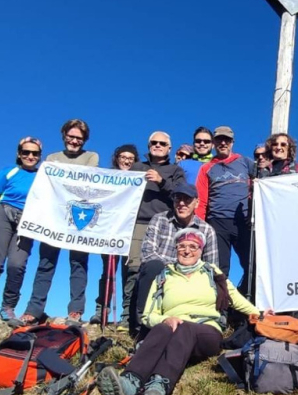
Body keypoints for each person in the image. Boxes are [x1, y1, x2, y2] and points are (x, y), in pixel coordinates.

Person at [95, 229, 273, 395]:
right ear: (176, 249)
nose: (187, 251)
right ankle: (129, 383)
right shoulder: (164, 276)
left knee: (185, 328)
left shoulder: (212, 273)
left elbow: (235, 298)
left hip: (206, 331)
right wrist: (165, 319)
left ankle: (159, 386)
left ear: (201, 250)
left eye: (193, 246)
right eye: (182, 246)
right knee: (162, 328)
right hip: (172, 329)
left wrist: (259, 313)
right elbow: (148, 315)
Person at [22, 119, 98, 325]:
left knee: (78, 264)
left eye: (79, 138)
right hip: (53, 219)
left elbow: (86, 182)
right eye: (71, 136)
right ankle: (34, 309)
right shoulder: (52, 158)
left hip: (78, 218)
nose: (74, 141)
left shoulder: (91, 157)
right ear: (64, 135)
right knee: (46, 263)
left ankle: (75, 310)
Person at [121, 131, 186, 332]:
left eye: (162, 143)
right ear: (148, 145)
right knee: (134, 269)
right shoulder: (137, 167)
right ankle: (128, 319)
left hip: (166, 225)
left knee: (162, 270)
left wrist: (161, 181)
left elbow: (181, 194)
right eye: (154, 142)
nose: (157, 145)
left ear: (169, 148)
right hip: (138, 222)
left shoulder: (175, 170)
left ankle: (155, 317)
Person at [0, 137, 42, 325]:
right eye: (26, 152)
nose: (30, 156)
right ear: (19, 154)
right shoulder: (9, 171)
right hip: (3, 214)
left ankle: (8, 308)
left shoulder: (43, 176)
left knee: (17, 264)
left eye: (35, 153)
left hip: (27, 222)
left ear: (39, 156)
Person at [134, 182, 220, 317]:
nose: (181, 203)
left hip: (190, 278)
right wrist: (174, 270)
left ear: (196, 203)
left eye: (187, 200)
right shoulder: (159, 219)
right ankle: (144, 323)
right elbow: (147, 254)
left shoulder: (207, 230)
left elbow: (211, 266)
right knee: (151, 267)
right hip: (161, 274)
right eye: (178, 199)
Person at [195, 126, 256, 300]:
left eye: (227, 140)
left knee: (252, 265)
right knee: (219, 268)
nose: (223, 143)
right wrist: (199, 226)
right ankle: (221, 309)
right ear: (214, 143)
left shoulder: (245, 162)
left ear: (232, 142)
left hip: (243, 221)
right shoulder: (207, 168)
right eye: (219, 140)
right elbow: (202, 199)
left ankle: (244, 304)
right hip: (216, 222)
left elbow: (263, 180)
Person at [90, 144, 139, 325]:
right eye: (123, 157)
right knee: (108, 271)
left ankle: (127, 314)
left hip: (131, 230)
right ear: (116, 158)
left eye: (130, 158)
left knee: (130, 272)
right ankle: (102, 308)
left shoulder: (138, 179)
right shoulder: (108, 177)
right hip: (110, 230)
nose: (126, 161)